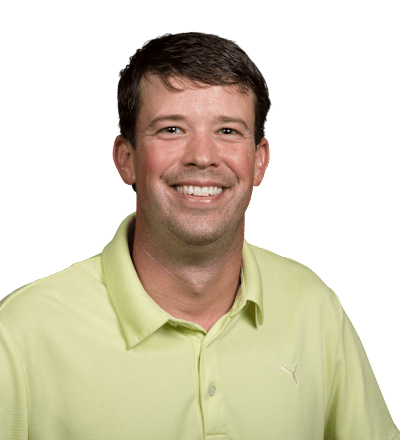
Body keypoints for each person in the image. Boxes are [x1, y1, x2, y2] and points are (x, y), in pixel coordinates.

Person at [0, 32, 398, 440]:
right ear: (126, 159)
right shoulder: (21, 334)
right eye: (172, 129)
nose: (203, 157)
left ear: (259, 161)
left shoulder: (313, 308)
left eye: (227, 131)